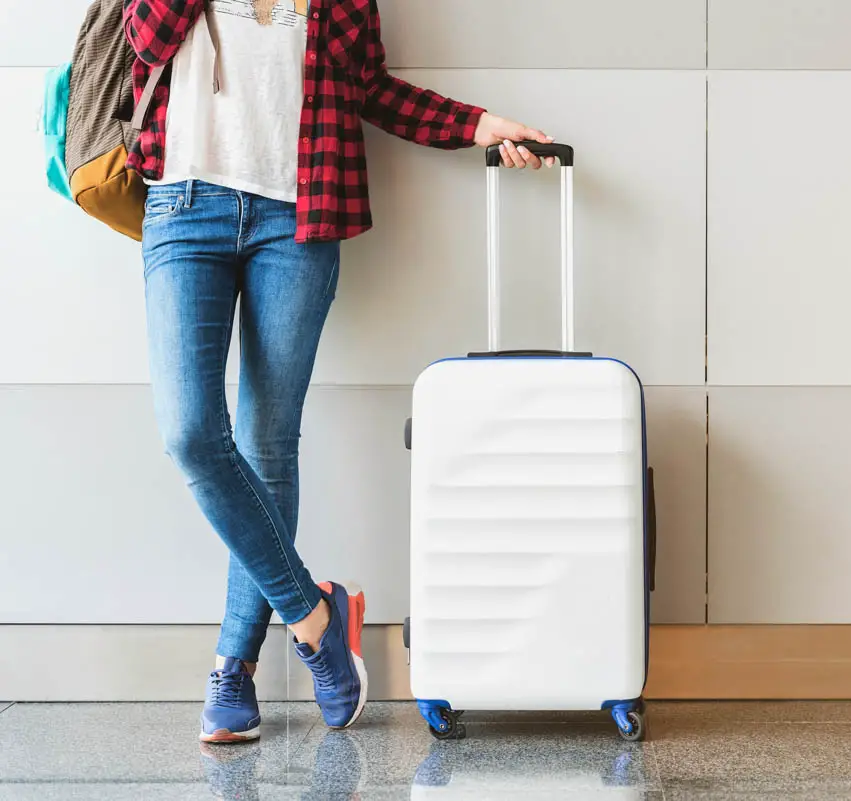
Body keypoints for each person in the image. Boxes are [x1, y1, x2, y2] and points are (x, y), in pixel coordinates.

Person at [123, 0, 552, 743]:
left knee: (267, 444)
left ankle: (234, 665)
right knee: (192, 433)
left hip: (298, 219)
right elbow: (146, 37)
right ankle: (315, 616)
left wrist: (474, 125)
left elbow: (371, 89)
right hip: (183, 206)